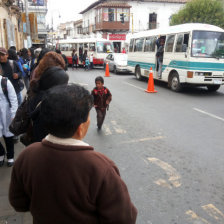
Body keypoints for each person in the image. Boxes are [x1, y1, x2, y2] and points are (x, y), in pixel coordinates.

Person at [9, 84, 137, 224]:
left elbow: (18, 203)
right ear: (80, 128)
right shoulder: (100, 167)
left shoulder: (27, 156)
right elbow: (124, 218)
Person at [28, 67, 69, 143]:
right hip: (48, 145)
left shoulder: (37, 95)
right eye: (65, 84)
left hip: (37, 141)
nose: (66, 87)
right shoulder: (51, 104)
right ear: (56, 85)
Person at [0, 75, 18, 167]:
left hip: (6, 112)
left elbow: (13, 99)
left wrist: (13, 114)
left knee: (8, 135)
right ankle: (1, 153)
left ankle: (10, 156)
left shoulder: (5, 82)